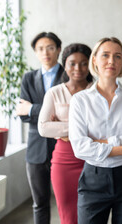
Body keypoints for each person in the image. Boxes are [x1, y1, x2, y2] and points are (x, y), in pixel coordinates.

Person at [68, 37, 122, 224]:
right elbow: (79, 147)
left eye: (118, 56)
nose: (112, 61)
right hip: (93, 179)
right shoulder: (80, 100)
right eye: (106, 55)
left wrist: (99, 143)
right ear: (94, 59)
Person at [38, 43, 94, 224]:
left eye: (84, 63)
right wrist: (83, 128)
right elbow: (44, 127)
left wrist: (62, 126)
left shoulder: (97, 92)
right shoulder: (54, 93)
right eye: (72, 63)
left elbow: (105, 128)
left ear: (91, 64)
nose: (78, 68)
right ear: (65, 65)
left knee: (92, 215)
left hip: (93, 158)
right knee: (68, 216)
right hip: (64, 160)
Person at [16, 32, 64, 224]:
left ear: (59, 50)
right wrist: (47, 113)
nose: (46, 52)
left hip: (64, 148)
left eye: (50, 47)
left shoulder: (69, 76)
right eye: (41, 49)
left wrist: (32, 109)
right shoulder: (28, 78)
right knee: (40, 203)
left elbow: (68, 117)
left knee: (66, 202)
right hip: (36, 151)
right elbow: (22, 116)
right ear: (35, 52)